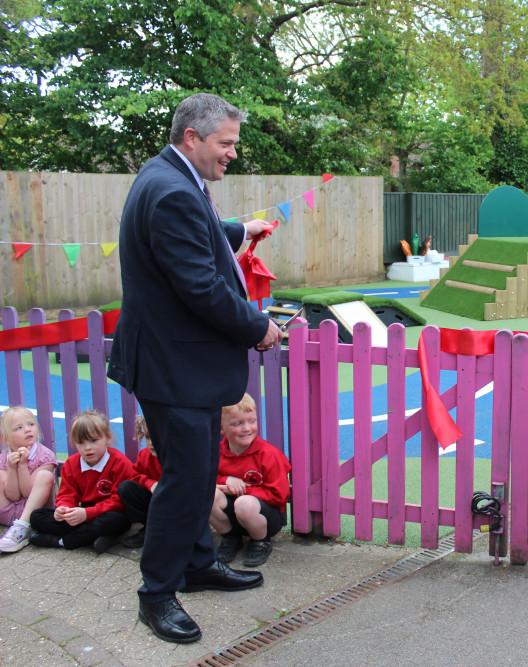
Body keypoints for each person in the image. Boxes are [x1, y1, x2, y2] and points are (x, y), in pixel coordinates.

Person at [107, 92, 283, 644]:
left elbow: (196, 235)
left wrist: (240, 232)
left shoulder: (174, 177)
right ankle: (156, 595)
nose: (232, 153)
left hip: (178, 364)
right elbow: (201, 285)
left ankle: (198, 563)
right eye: (225, 143)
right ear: (192, 138)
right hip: (174, 368)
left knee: (196, 472)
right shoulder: (171, 191)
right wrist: (258, 327)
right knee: (185, 483)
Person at [29, 409, 133, 552]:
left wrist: (87, 514)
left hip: (110, 513)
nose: (87, 448)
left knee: (115, 521)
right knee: (36, 517)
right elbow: (66, 494)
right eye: (81, 443)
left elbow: (118, 502)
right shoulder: (72, 464)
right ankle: (94, 537)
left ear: (107, 438)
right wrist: (64, 509)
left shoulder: (119, 462)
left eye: (93, 440)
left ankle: (62, 541)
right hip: (82, 513)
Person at [211, 394, 291, 568]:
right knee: (205, 495)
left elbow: (280, 494)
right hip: (234, 515)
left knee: (244, 503)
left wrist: (243, 490)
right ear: (221, 427)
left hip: (265, 518)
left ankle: (260, 542)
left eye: (252, 421)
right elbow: (205, 477)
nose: (247, 428)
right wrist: (226, 479)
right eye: (238, 423)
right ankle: (231, 537)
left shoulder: (268, 454)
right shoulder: (216, 452)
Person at [0, 407, 57, 553]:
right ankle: (17, 527)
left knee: (45, 476)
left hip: (34, 514)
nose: (27, 430)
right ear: (6, 439)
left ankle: (21, 529)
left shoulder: (44, 455)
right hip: (7, 512)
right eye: (19, 428)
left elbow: (27, 493)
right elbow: (13, 495)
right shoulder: (4, 457)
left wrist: (23, 465)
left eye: (31, 424)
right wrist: (12, 468)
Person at [118, 416, 162, 549]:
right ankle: (149, 528)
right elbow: (135, 475)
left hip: (175, 503)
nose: (151, 443)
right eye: (148, 437)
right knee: (126, 487)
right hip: (154, 498)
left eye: (156, 436)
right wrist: (150, 484)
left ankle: (171, 530)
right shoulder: (144, 455)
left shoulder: (177, 456)